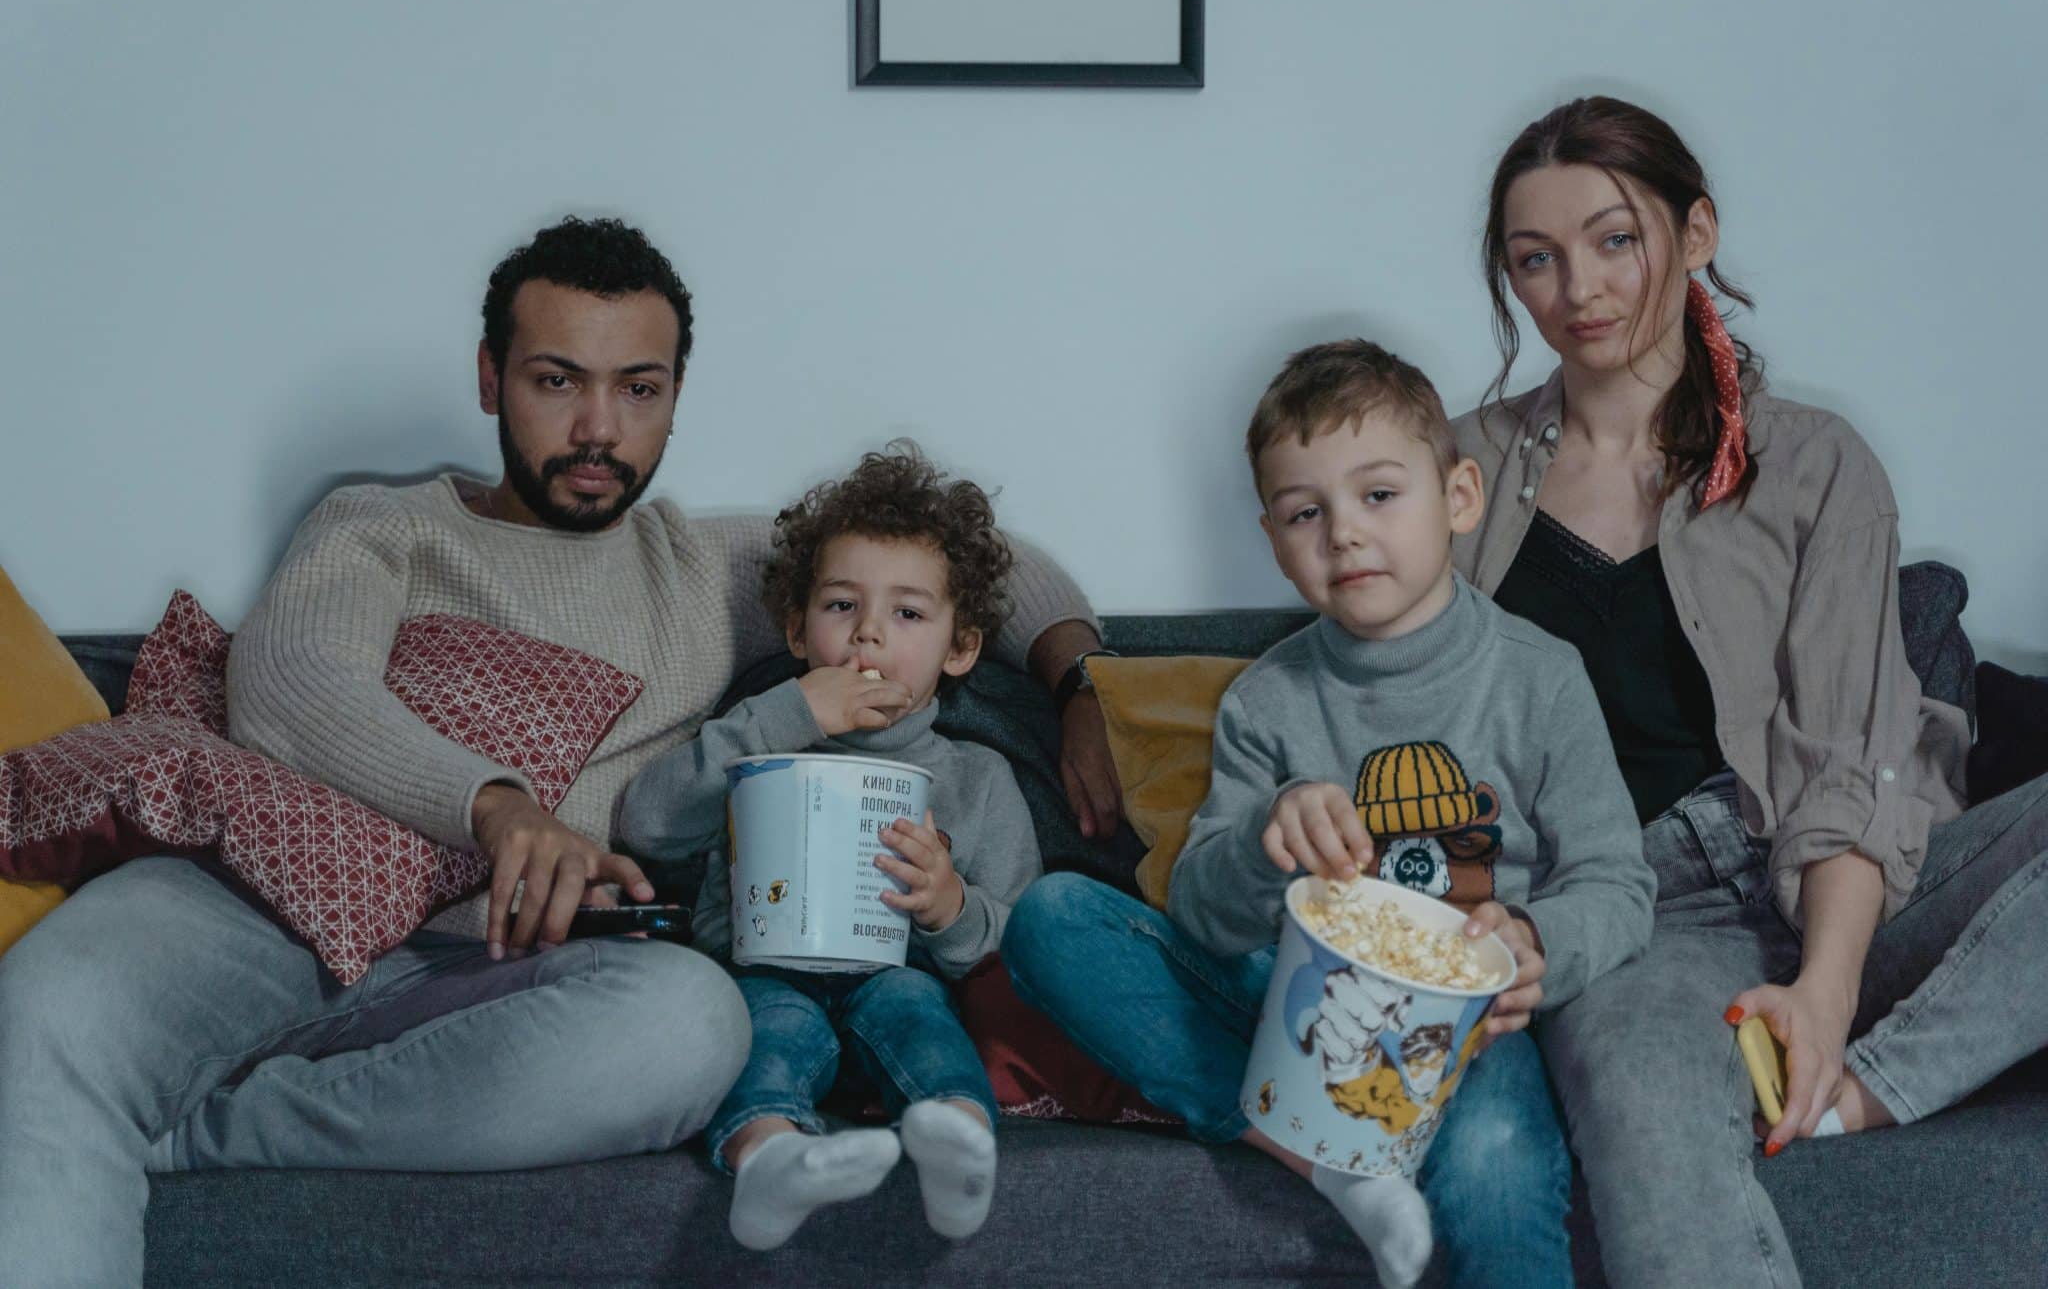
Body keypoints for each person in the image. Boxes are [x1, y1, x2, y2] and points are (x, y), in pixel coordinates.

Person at [0, 217, 1110, 1286]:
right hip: (259, 900)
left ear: (674, 397)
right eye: (554, 381)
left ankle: (207, 1132)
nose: (596, 429)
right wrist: (497, 806)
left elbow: (977, 560)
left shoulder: (713, 569)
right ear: (490, 380)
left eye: (638, 390)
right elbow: (294, 685)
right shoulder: (382, 528)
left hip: (502, 968)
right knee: (50, 1018)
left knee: (692, 1024)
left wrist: (1077, 689)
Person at [1457, 94, 2048, 1287]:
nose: (1578, 287)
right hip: (1635, 919)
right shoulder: (1454, 470)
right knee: (1645, 1132)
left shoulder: (1813, 463)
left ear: (1697, 234)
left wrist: (1824, 997)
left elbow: (1848, 755)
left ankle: (1862, 1091)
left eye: (1614, 237)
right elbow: (1367, 651)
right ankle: (1779, 1071)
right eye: (1535, 258)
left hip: (1856, 880)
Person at [1002, 339, 1655, 1288]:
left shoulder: (1539, 674)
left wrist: (1533, 938)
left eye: (1379, 495)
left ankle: (1337, 1140)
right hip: (1297, 1003)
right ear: (1273, 536)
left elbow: (1619, 881)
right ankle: (1324, 1157)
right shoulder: (1269, 700)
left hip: (1462, 1027)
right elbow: (1201, 913)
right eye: (1307, 512)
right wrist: (1269, 838)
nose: (1343, 533)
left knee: (1494, 1171)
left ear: (1460, 498)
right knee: (1050, 918)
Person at [619, 444, 1038, 1249]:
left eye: (908, 614)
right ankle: (770, 1155)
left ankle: (957, 1141)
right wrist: (785, 714)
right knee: (765, 1028)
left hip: (899, 976)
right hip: (763, 974)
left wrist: (950, 905)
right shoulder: (756, 738)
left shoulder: (977, 780)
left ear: (960, 648)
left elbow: (1016, 935)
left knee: (919, 1014)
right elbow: (648, 821)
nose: (870, 634)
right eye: (842, 605)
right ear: (797, 628)